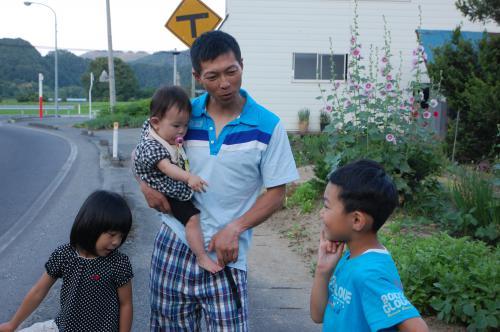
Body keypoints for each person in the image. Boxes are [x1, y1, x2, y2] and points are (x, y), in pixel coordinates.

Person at [136, 30, 299, 331]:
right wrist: (144, 184)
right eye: (212, 76)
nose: (224, 83)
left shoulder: (268, 126)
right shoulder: (182, 115)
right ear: (198, 77)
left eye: (231, 72)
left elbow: (277, 194)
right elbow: (146, 148)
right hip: (174, 242)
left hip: (226, 254)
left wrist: (236, 228)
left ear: (242, 64)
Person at [310, 159, 429, 331]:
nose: (322, 213)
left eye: (327, 206)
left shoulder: (370, 274)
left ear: (357, 220)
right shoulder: (351, 258)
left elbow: (418, 329)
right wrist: (323, 271)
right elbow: (318, 315)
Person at [0, 190, 134, 332]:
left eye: (121, 236)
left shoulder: (118, 262)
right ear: (91, 225)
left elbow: (126, 304)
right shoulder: (64, 254)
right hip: (63, 326)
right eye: (112, 234)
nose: (116, 242)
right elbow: (39, 291)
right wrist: (12, 325)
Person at [134, 85, 222, 274]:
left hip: (168, 183)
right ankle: (202, 257)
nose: (182, 131)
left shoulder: (159, 131)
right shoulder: (152, 145)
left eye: (185, 125)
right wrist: (189, 177)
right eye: (176, 126)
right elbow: (167, 168)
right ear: (156, 122)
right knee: (192, 218)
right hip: (166, 189)